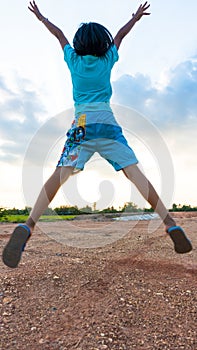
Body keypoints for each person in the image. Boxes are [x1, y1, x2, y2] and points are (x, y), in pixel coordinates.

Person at [2, 1, 192, 268]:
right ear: (102, 44)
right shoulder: (107, 59)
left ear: (79, 44)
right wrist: (135, 18)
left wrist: (42, 18)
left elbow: (59, 35)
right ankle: (169, 223)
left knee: (60, 173)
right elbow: (120, 36)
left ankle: (29, 224)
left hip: (81, 123)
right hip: (107, 122)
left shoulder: (73, 60)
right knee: (135, 173)